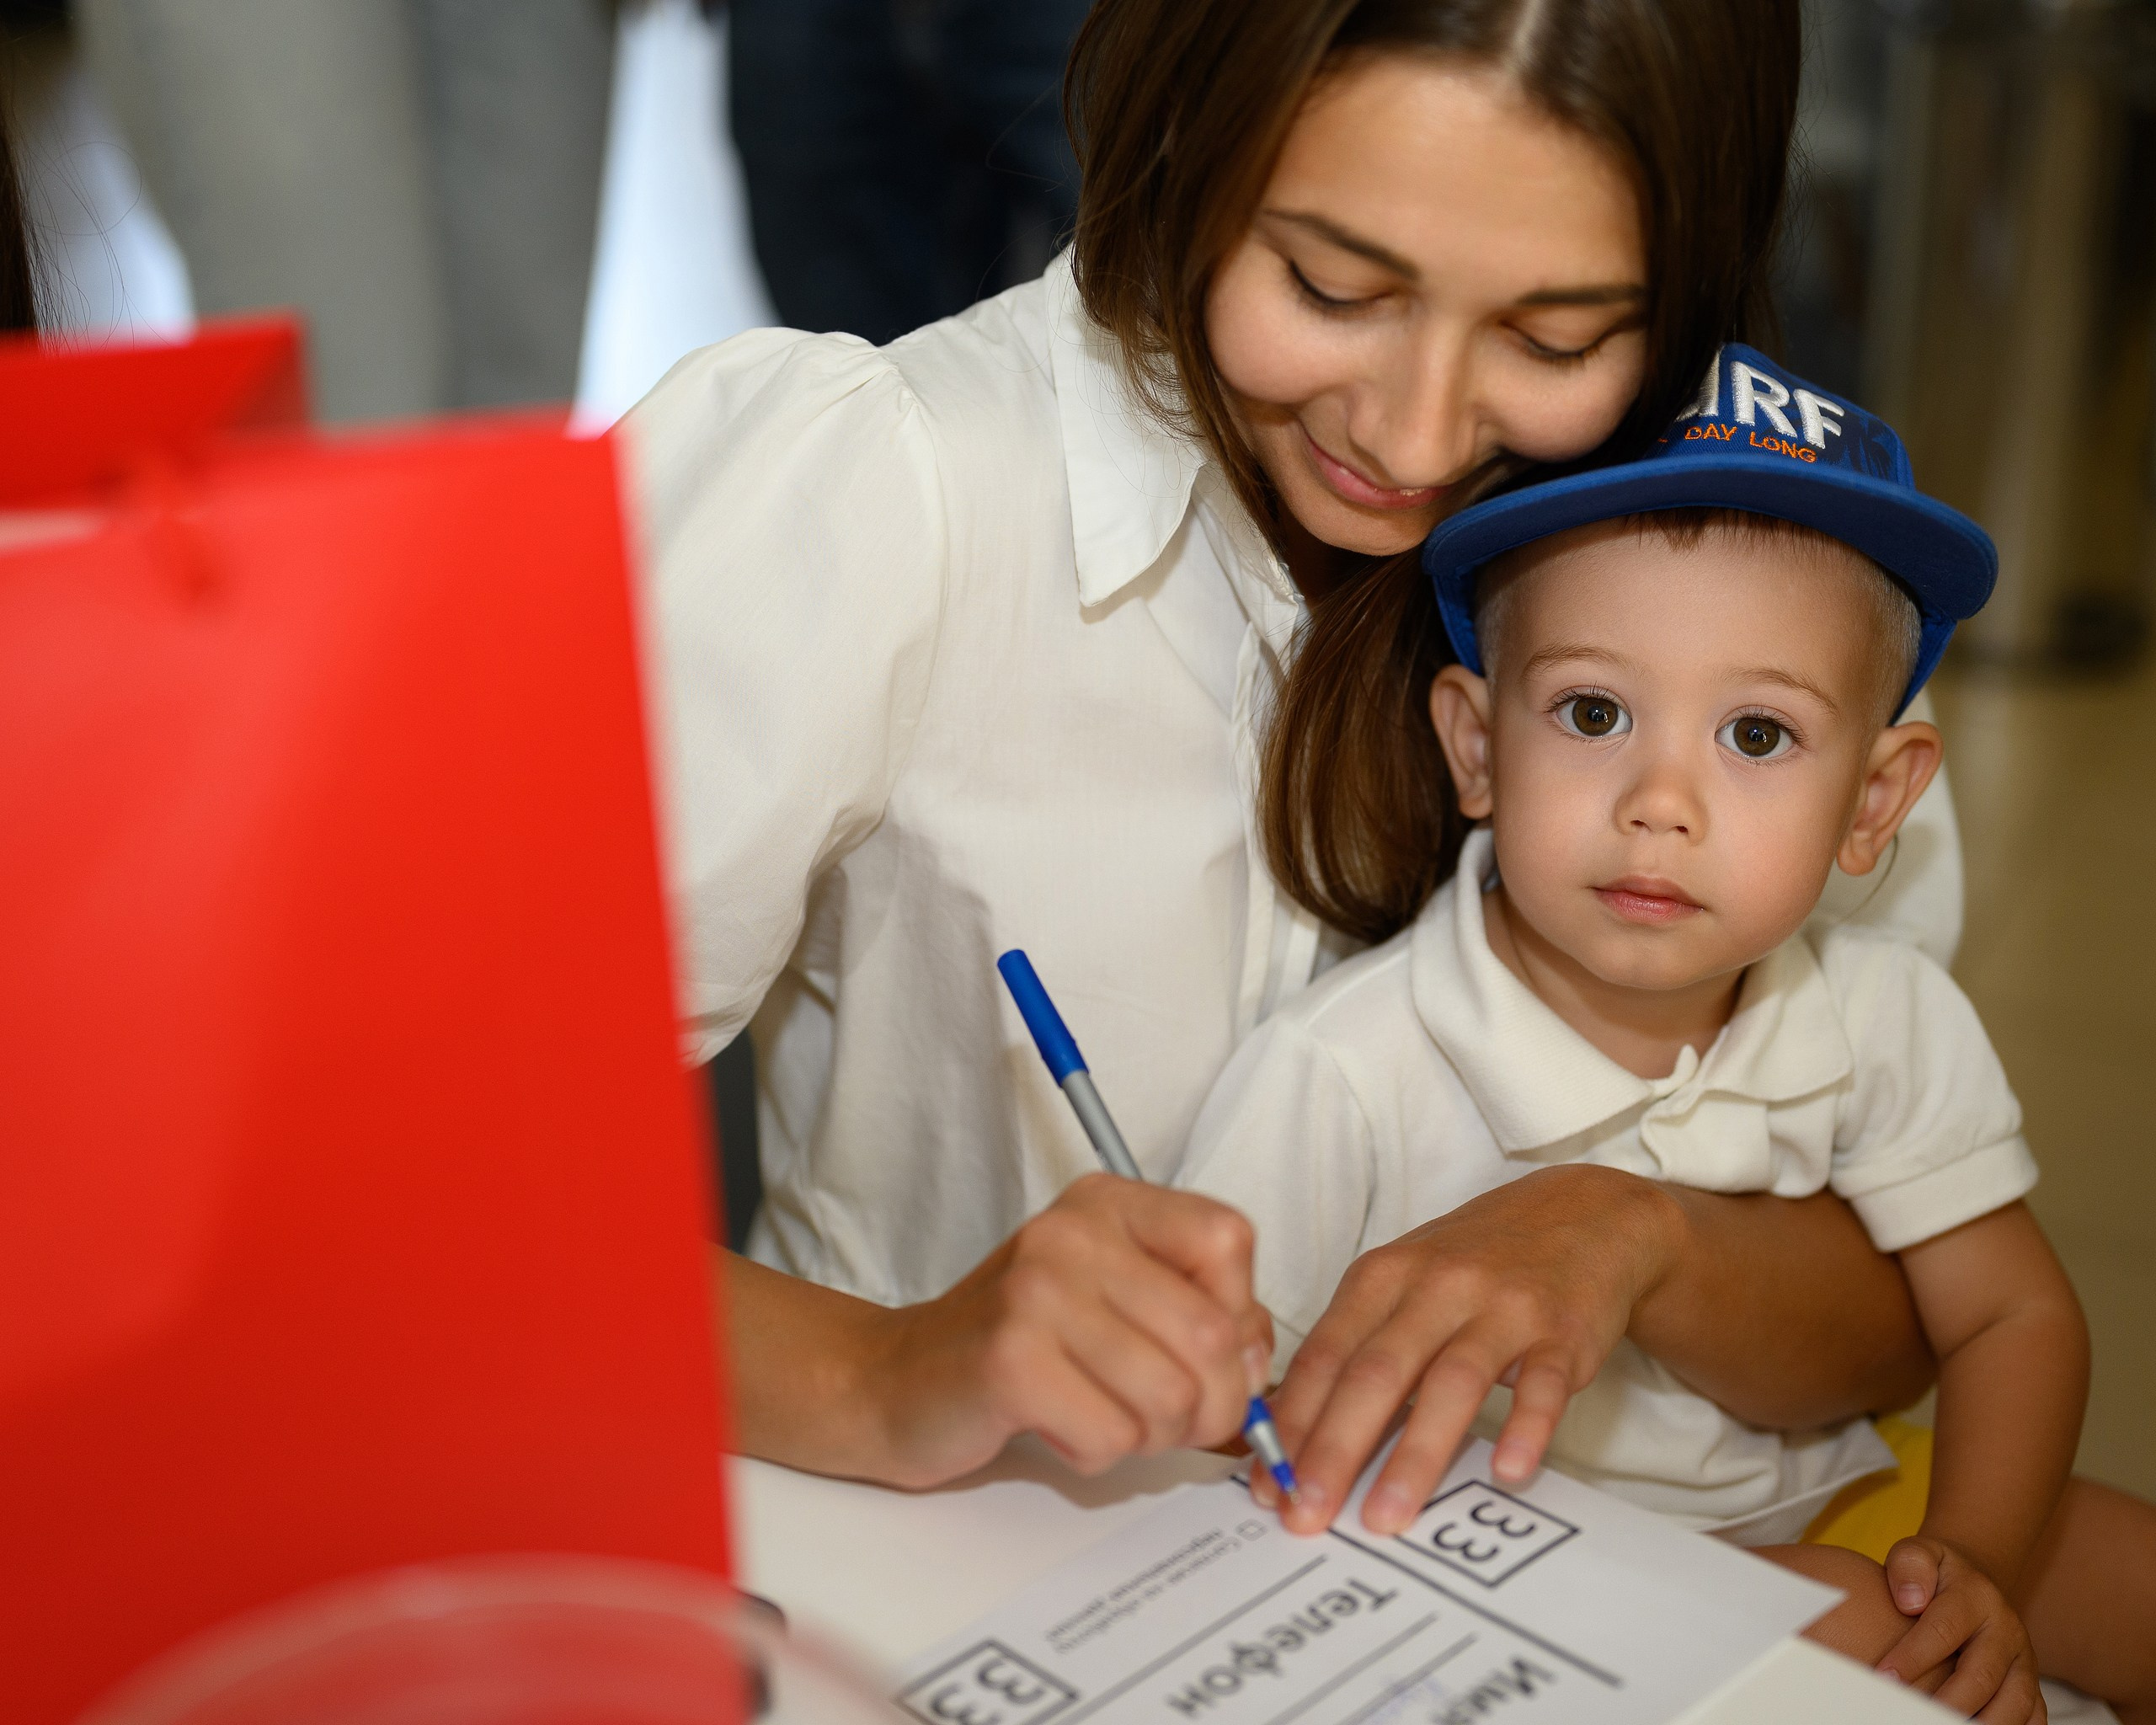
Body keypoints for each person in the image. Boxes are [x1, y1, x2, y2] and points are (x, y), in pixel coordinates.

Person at [624, 0, 1944, 1508]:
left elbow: (1912, 1318)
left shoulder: (1763, 596)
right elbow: (398, 1199)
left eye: (1554, 337)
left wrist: (1642, 1240)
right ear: (1183, 128)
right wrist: (892, 1371)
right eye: (1333, 285)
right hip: (963, 1568)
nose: (1419, 433)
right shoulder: (890, 492)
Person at [1182, 344, 2156, 1719]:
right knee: (1853, 1630)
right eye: (1594, 713)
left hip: (1847, 1491)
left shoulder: (1883, 1014)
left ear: (1878, 802)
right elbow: (1222, 1424)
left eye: (1758, 736)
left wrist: (1976, 1569)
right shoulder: (1345, 1071)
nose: (1662, 800)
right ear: (1474, 747)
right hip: (1523, 1573)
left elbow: (2012, 1312)